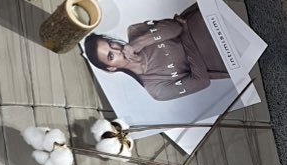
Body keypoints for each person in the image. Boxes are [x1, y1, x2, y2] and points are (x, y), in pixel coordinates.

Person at [83, 6, 230, 102]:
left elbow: (175, 27)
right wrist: (185, 35)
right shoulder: (157, 89)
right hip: (221, 56)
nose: (117, 50)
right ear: (111, 68)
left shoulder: (135, 31)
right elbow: (201, 80)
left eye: (111, 44)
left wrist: (140, 41)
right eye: (111, 56)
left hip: (204, 18)